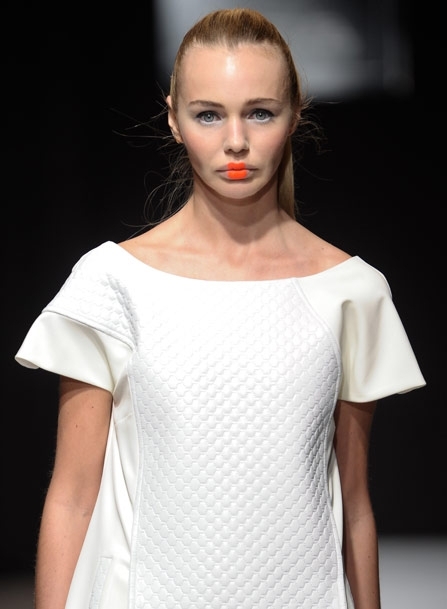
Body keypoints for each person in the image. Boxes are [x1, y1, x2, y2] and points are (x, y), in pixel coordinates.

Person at [15, 8, 425, 609]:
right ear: (174, 119)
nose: (235, 140)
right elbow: (73, 496)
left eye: (260, 112)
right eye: (209, 114)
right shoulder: (114, 282)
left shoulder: (350, 290)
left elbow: (354, 505)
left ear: (295, 114)